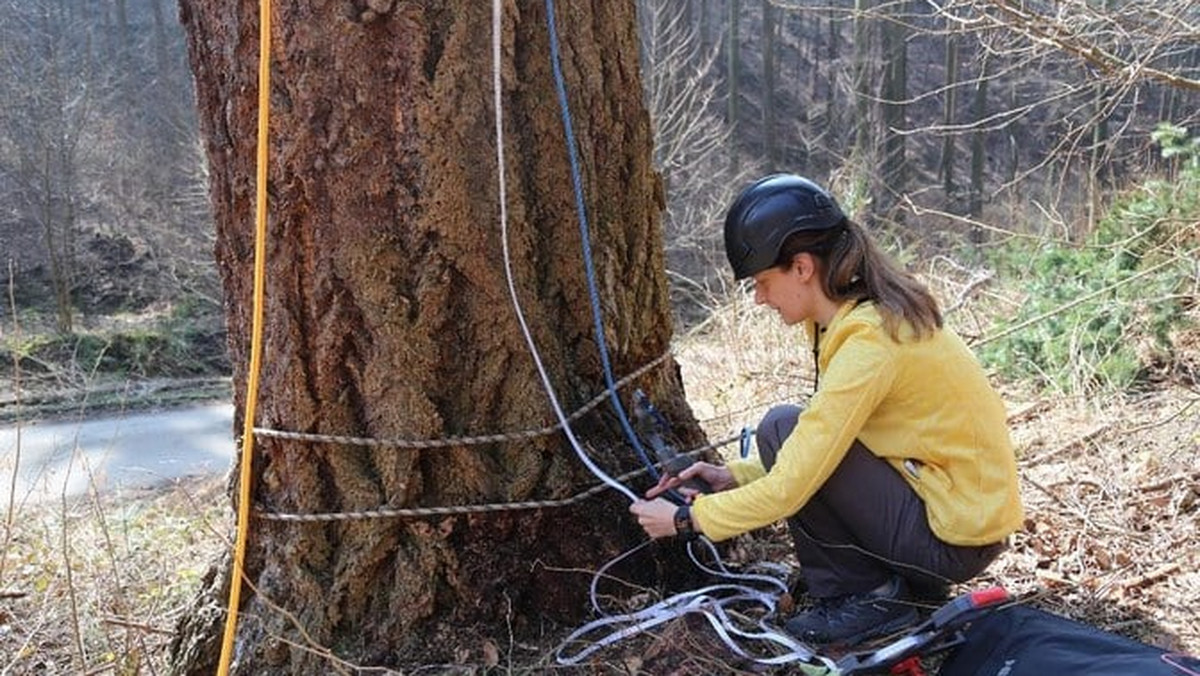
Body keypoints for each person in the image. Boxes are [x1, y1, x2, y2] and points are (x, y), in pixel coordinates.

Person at [629, 174, 1023, 647]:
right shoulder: (865, 318)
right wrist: (733, 475)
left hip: (953, 541)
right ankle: (896, 589)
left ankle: (872, 598)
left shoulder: (870, 343)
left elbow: (791, 487)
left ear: (801, 267)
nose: (759, 299)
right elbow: (823, 440)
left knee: (781, 427)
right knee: (781, 429)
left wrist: (684, 521)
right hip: (947, 518)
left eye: (761, 283)